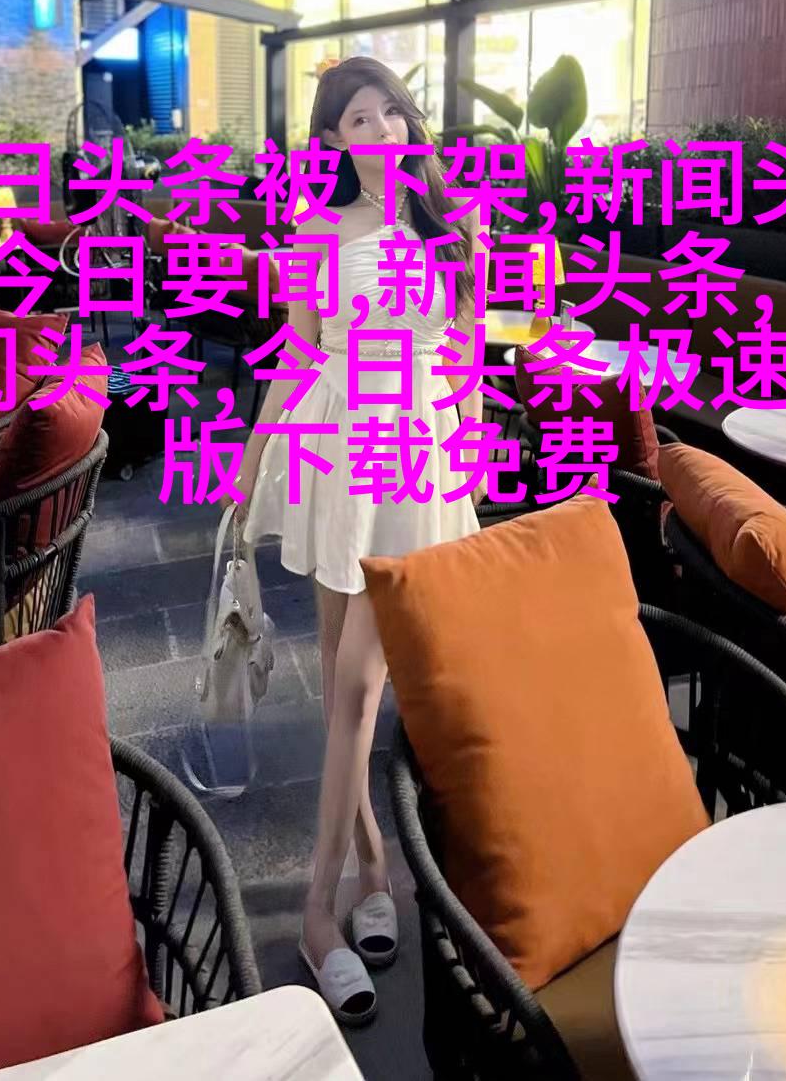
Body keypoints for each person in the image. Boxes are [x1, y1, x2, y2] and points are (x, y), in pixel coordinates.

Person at [236, 57, 483, 1026]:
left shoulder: (456, 223)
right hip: (337, 449)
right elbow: (297, 352)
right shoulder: (316, 228)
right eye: (357, 120)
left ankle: (322, 905)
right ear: (334, 140)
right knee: (348, 680)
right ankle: (361, 879)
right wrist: (251, 459)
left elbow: (465, 358)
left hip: (414, 453)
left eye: (391, 113)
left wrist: (461, 460)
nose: (381, 132)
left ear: (411, 123)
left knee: (359, 686)